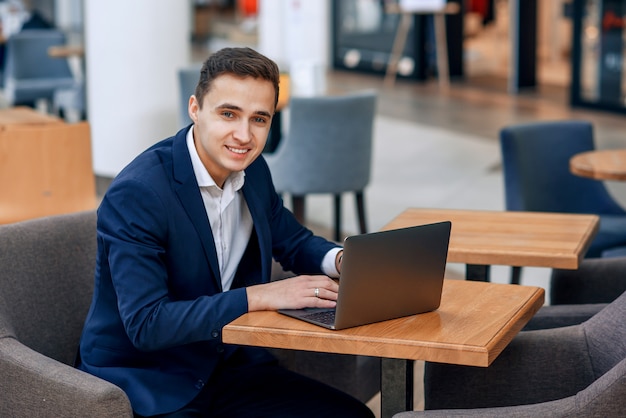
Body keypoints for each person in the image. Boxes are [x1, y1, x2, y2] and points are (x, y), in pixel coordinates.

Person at [76, 47, 375, 418]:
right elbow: (147, 324)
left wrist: (344, 260)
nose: (244, 135)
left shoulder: (254, 170)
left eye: (259, 119)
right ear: (195, 108)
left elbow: (293, 241)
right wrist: (258, 296)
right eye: (229, 114)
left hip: (228, 366)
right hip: (151, 381)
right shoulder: (140, 193)